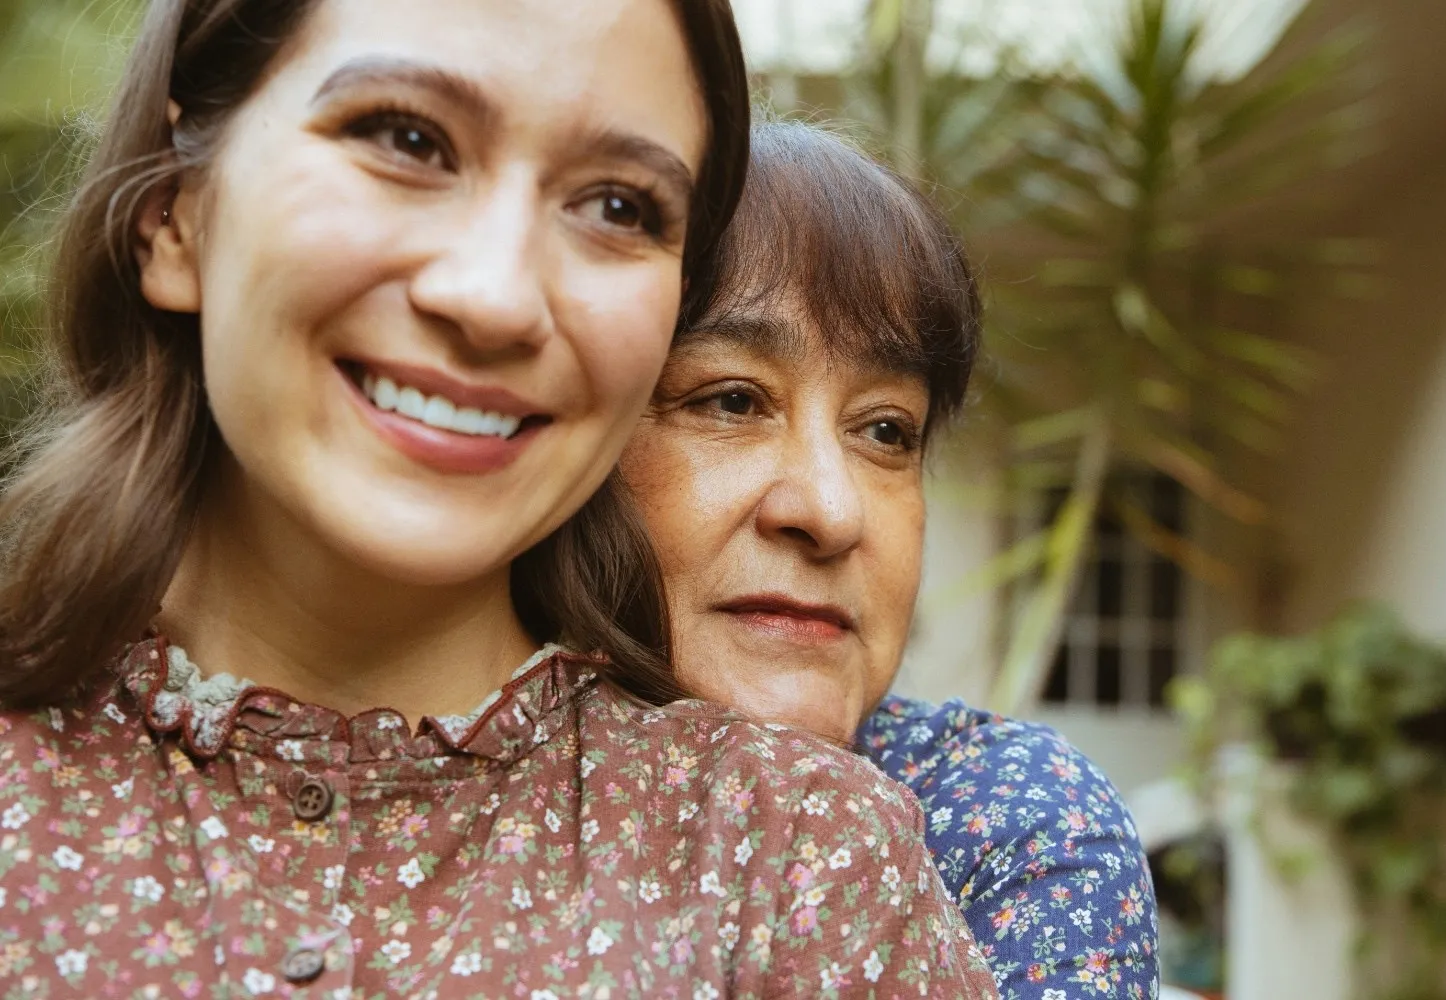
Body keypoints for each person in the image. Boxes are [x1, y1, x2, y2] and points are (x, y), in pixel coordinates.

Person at [0, 4, 996, 997]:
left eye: (619, 207)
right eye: (407, 139)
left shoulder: (798, 864)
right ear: (177, 208)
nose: (497, 295)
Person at [621, 119, 1160, 998]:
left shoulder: (1002, 822)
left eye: (884, 430)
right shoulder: (419, 776)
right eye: (732, 400)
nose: (830, 513)